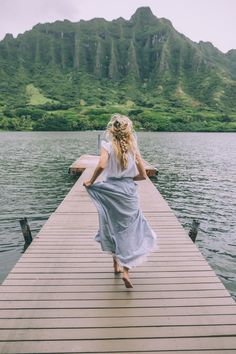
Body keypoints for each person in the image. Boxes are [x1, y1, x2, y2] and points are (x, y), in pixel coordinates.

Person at [83, 113, 157, 288]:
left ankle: (116, 264)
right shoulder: (133, 148)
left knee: (111, 226)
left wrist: (91, 181)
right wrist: (130, 179)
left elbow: (101, 165)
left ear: (112, 130)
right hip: (128, 194)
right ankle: (125, 269)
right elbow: (143, 175)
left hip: (110, 191)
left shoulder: (107, 146)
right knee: (129, 230)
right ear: (128, 131)